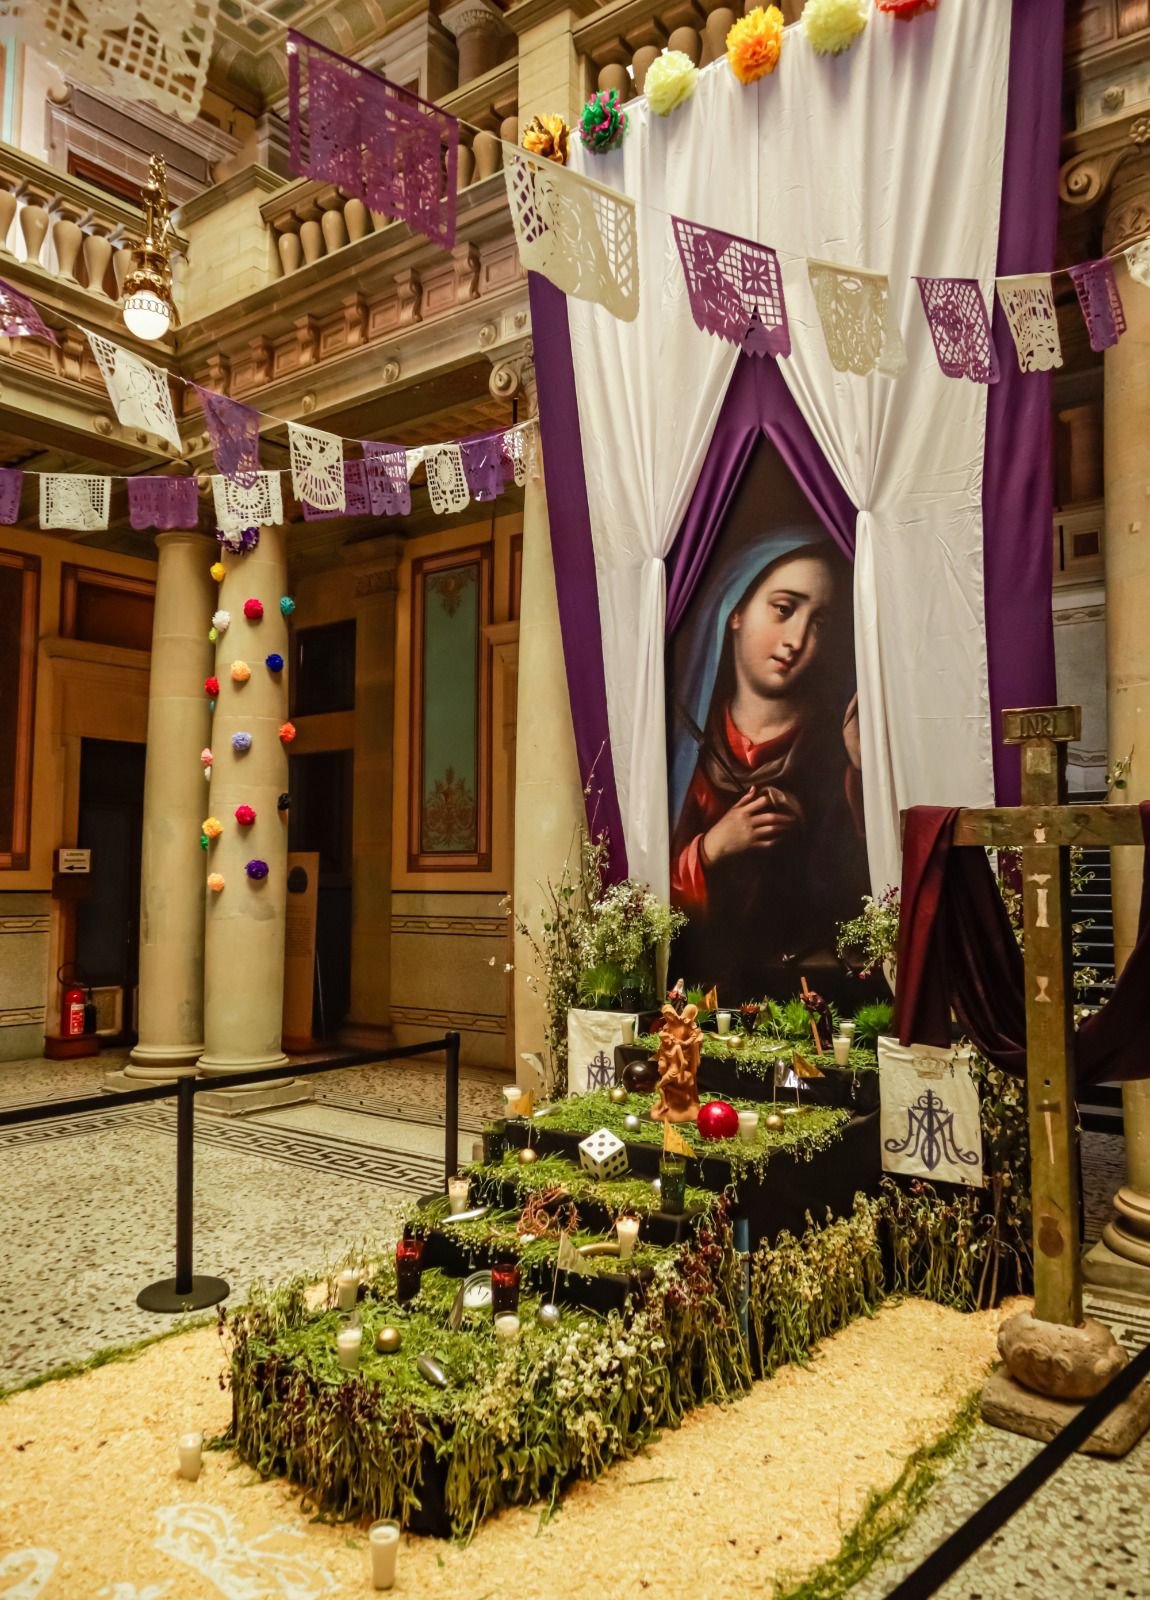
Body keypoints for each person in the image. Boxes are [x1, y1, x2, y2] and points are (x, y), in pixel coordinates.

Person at [669, 530, 867, 1002]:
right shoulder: (687, 747)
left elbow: (867, 892)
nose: (797, 639)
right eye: (784, 609)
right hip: (706, 985)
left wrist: (862, 774)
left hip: (809, 989)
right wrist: (712, 848)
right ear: (735, 612)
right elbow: (649, 894)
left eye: (818, 622)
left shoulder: (836, 746)